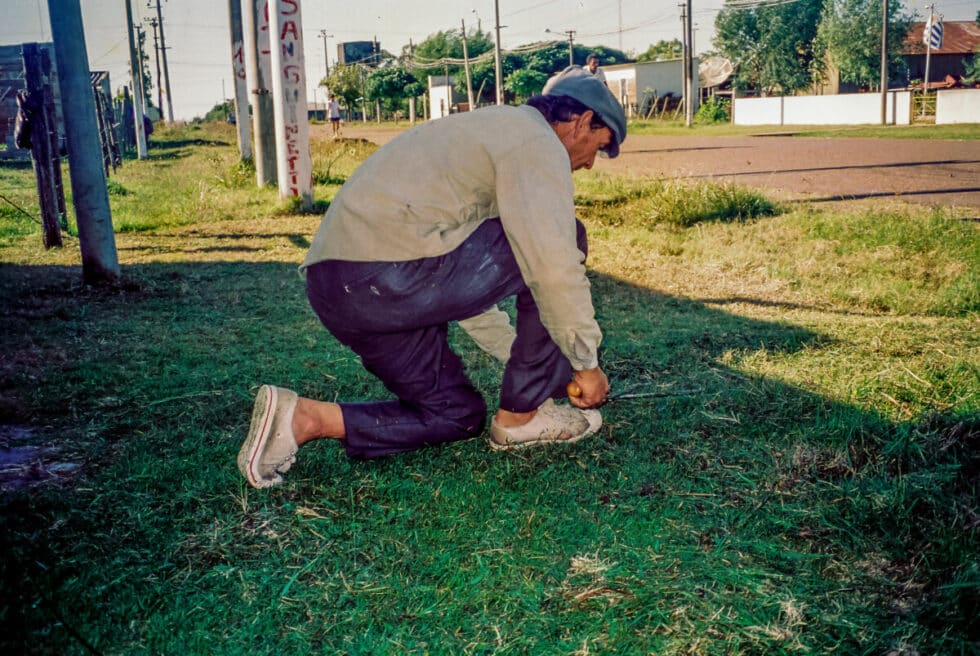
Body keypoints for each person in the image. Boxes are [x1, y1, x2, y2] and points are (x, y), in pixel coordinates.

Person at [238, 66, 626, 489]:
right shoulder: (534, 140)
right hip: (383, 276)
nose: (588, 164)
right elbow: (551, 266)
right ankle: (522, 417)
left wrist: (524, 361)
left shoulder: (494, 130)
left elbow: (462, 289)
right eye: (598, 147)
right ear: (583, 121)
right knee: (566, 235)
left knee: (457, 416)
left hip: (343, 291)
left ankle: (303, 420)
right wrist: (584, 364)